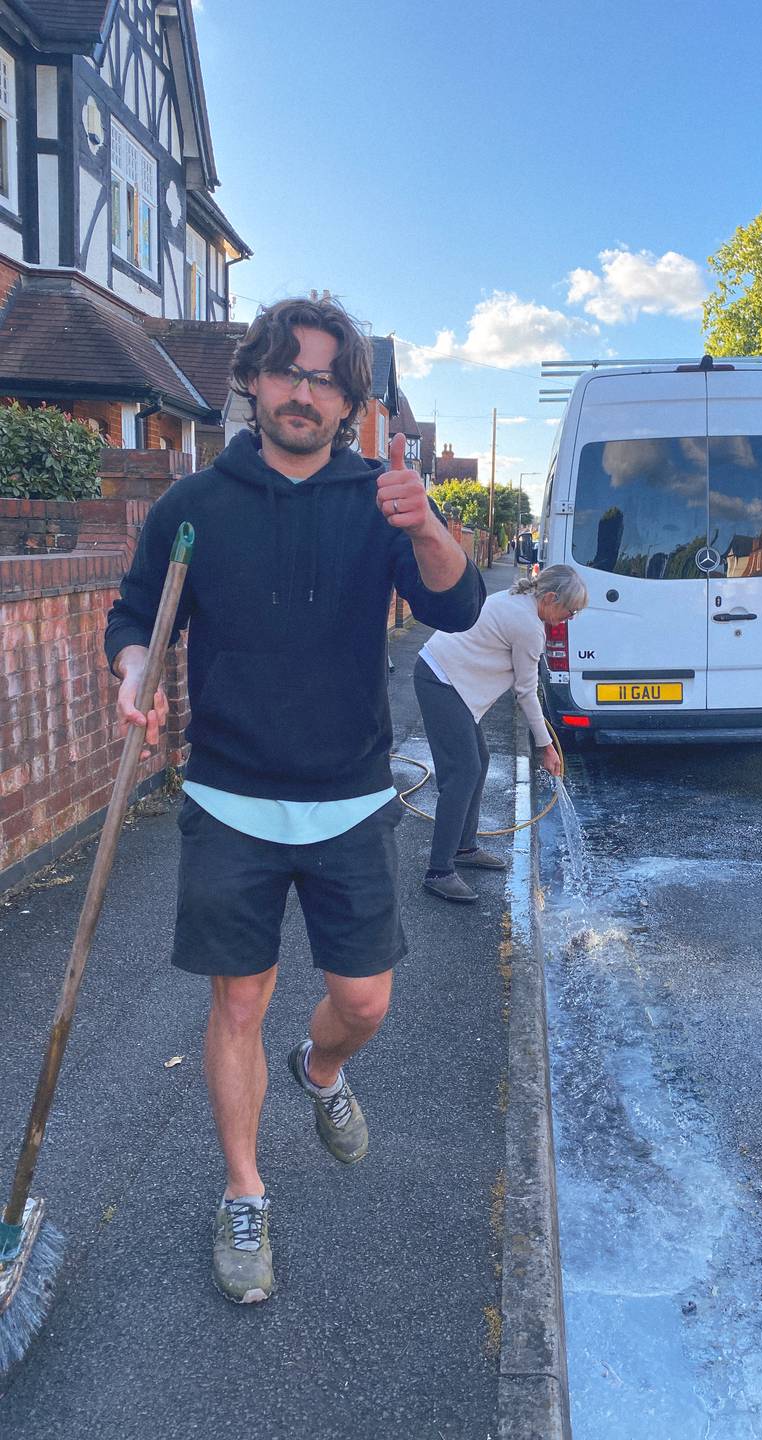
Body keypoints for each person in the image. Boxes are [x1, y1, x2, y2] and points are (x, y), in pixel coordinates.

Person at [104, 295, 484, 1304]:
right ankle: (244, 1194)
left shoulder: (380, 497)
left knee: (363, 1003)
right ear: (255, 383)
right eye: (287, 371)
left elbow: (456, 603)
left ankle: (319, 1072)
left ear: (351, 400)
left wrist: (433, 526)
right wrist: (133, 672)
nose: (303, 391)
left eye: (324, 377)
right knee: (236, 1001)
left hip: (350, 797)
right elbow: (135, 612)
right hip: (228, 796)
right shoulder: (196, 505)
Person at [413, 565, 587, 902]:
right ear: (551, 598)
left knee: (479, 760)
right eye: (569, 610)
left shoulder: (519, 600)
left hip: (451, 682)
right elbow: (525, 692)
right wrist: (546, 747)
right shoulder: (528, 625)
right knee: (462, 772)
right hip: (441, 680)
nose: (568, 618)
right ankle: (439, 870)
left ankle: (464, 847)